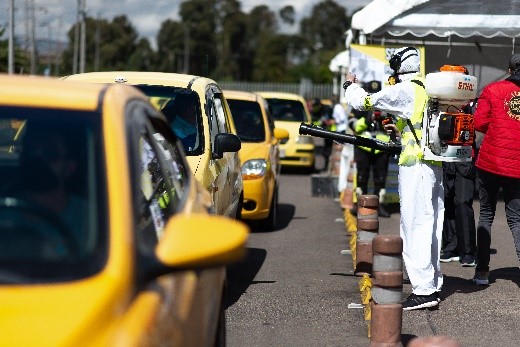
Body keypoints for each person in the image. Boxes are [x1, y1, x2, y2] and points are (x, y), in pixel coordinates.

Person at [344, 47, 444, 310]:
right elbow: (419, 125)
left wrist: (350, 86)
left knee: (414, 226)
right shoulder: (426, 87)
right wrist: (399, 129)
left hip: (416, 165)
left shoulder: (405, 89)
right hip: (432, 165)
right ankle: (432, 281)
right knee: (431, 225)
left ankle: (424, 291)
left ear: (399, 66)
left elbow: (363, 102)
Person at [472, 53, 520, 285]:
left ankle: (482, 273)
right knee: (517, 219)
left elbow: (479, 123)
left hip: (491, 162)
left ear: (509, 70)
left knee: (486, 216)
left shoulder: (492, 90)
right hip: (517, 166)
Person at [440, 95, 478, 267]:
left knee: (462, 202)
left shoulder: (474, 105)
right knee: (447, 201)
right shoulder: (442, 105)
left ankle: (468, 251)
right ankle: (450, 246)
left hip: (465, 160)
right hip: (446, 158)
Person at [352, 81, 392, 218]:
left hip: (381, 147)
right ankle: (360, 206)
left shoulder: (386, 105)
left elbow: (394, 126)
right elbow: (354, 126)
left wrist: (384, 119)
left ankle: (378, 206)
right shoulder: (359, 106)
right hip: (364, 146)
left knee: (380, 179)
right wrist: (368, 119)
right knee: (362, 177)